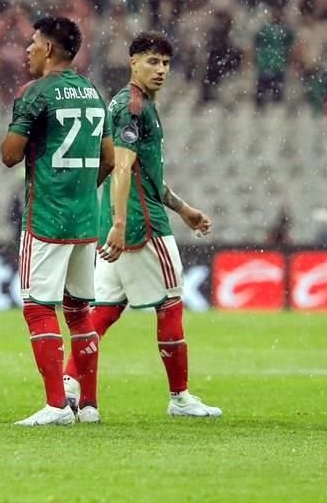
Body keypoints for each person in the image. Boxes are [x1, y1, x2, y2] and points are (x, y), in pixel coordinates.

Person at [62, 32, 222, 419]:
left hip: (122, 220)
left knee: (103, 311)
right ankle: (180, 397)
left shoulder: (131, 103)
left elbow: (146, 173)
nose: (161, 70)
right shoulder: (133, 106)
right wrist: (120, 223)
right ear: (133, 62)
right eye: (152, 61)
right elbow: (123, 167)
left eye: (166, 63)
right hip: (141, 224)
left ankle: (69, 383)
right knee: (170, 303)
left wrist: (183, 209)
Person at [1, 16, 115, 427]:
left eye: (33, 43)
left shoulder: (36, 93)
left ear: (49, 49)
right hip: (87, 217)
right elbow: (109, 159)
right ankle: (88, 405)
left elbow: (10, 154)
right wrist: (83, 189)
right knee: (80, 311)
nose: (28, 49)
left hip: (46, 216)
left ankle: (54, 405)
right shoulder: (92, 93)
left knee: (37, 307)